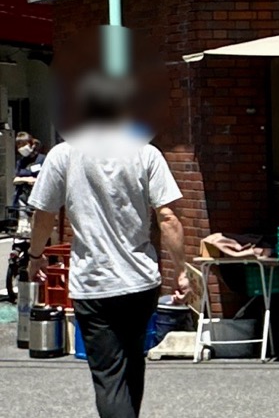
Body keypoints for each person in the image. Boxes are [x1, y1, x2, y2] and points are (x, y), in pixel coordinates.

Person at [25, 76, 189, 418]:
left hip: (93, 284)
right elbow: (169, 219)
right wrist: (182, 272)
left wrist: (35, 256)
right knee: (133, 362)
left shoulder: (64, 154)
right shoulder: (146, 153)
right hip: (141, 281)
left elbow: (44, 215)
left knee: (108, 375)